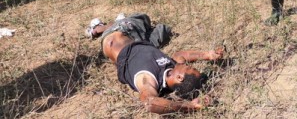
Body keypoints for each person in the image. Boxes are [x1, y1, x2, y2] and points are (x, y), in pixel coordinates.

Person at [86, 13, 224, 114]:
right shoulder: (171, 67)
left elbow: (151, 103)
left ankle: (98, 28)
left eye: (189, 67)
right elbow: (180, 55)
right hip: (138, 40)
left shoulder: (147, 78)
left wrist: (190, 106)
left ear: (180, 78)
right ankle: (122, 21)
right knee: (161, 29)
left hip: (116, 36)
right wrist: (207, 55)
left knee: (141, 18)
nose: (188, 64)